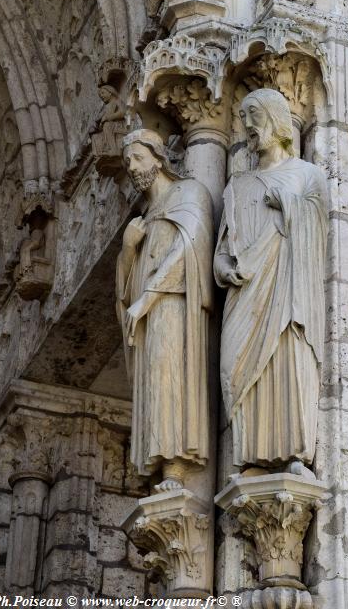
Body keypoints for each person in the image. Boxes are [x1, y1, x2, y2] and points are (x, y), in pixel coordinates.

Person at [214, 89, 329, 475]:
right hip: (245, 293)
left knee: (287, 360)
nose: (247, 126)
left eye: (254, 116)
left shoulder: (308, 175)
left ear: (277, 121)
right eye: (243, 117)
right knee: (238, 364)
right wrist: (223, 269)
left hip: (289, 289)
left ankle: (294, 454)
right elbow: (222, 247)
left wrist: (290, 205)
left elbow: (320, 232)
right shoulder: (237, 186)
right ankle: (251, 455)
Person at [116, 129, 213, 491]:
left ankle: (175, 466)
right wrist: (128, 250)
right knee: (153, 379)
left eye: (138, 157)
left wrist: (149, 298)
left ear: (159, 158)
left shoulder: (189, 193)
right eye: (127, 160)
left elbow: (191, 248)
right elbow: (123, 290)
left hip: (173, 305)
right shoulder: (142, 218)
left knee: (168, 371)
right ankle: (158, 464)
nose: (131, 166)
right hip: (147, 311)